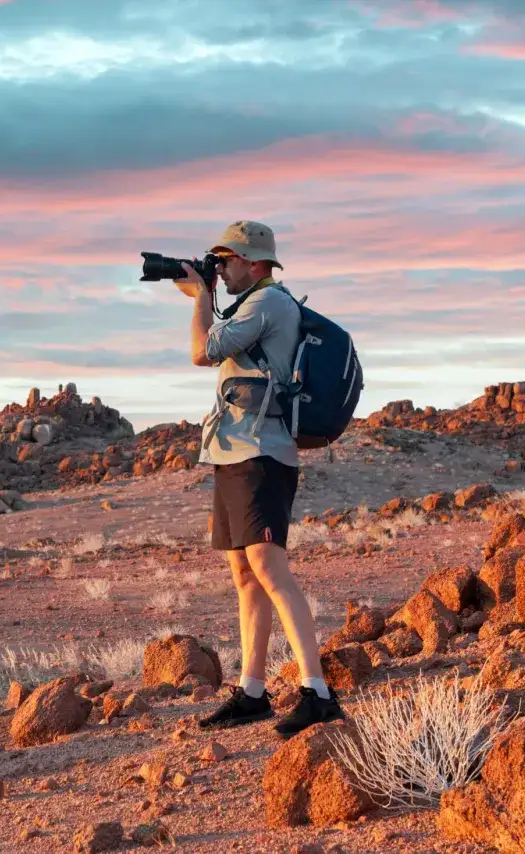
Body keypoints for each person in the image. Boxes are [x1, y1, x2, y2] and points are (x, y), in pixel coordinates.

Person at [174, 220, 344, 737]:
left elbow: (203, 352)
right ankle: (252, 692)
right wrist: (208, 293)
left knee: (270, 569)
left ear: (254, 263)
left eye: (226, 262)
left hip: (262, 455)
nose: (220, 270)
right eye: (217, 263)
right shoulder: (253, 303)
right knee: (245, 576)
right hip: (233, 452)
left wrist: (199, 298)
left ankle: (317, 692)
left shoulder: (268, 303)